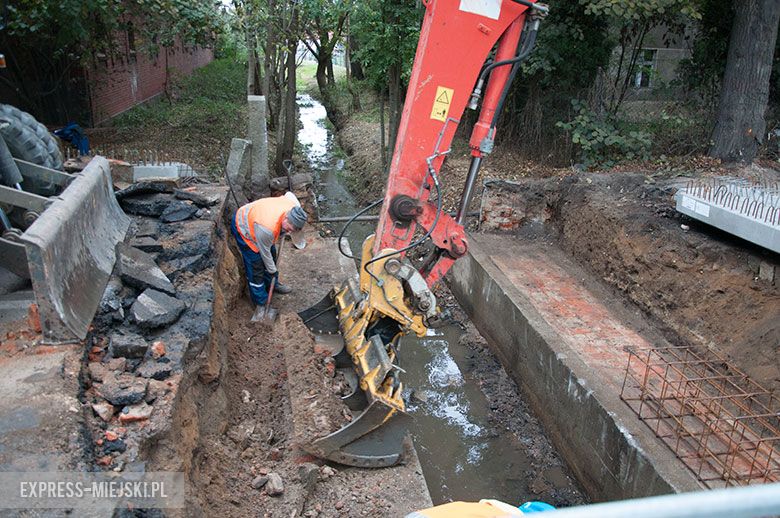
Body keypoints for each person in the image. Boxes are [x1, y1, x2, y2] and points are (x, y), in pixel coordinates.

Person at [230, 192, 308, 307]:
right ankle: (261, 302)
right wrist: (273, 271)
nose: (289, 232)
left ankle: (272, 284)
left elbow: (289, 194)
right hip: (244, 226)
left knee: (272, 256)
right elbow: (265, 254)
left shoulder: (293, 206)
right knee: (256, 266)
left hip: (260, 223)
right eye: (289, 229)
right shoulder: (267, 229)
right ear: (286, 218)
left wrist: (272, 271)